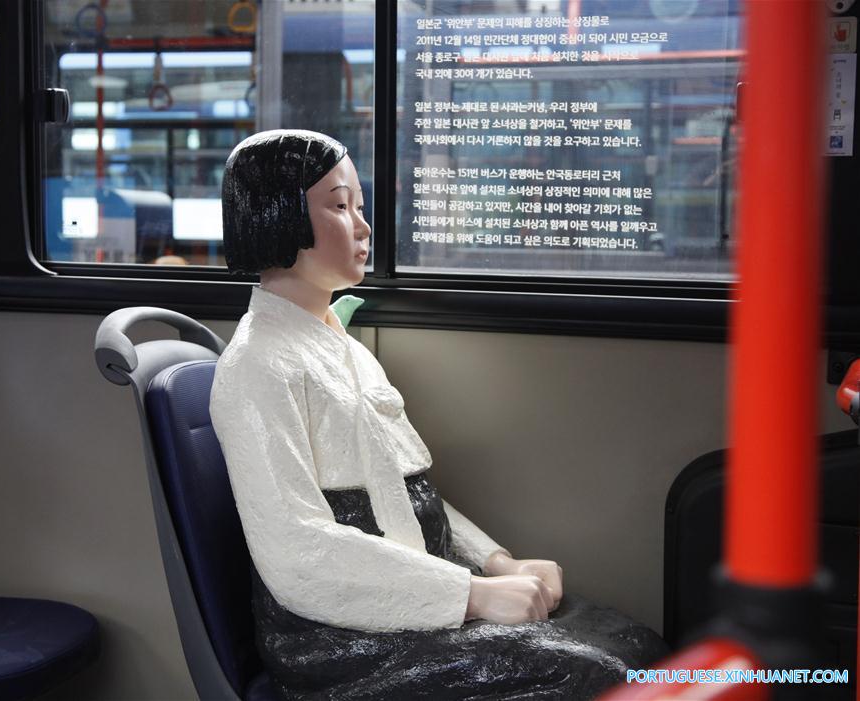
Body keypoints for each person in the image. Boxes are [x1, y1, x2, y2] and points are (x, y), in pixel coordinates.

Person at [210, 130, 667, 700]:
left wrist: (498, 561)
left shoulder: (344, 349)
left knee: (631, 643)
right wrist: (472, 595)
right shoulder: (256, 367)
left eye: (359, 205)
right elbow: (297, 553)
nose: (362, 226)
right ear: (277, 216)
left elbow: (412, 489)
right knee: (598, 674)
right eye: (338, 206)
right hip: (333, 635)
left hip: (421, 587)